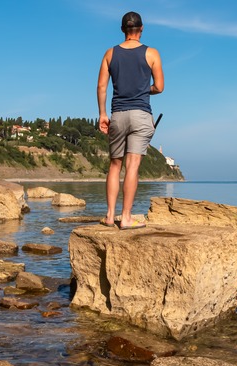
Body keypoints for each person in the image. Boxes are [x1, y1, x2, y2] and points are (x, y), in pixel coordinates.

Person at [97, 11, 164, 230]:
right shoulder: (152, 53)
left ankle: (109, 216)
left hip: (118, 114)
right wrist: (145, 90)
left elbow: (101, 87)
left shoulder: (110, 53)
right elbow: (159, 87)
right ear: (141, 29)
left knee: (115, 165)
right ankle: (126, 218)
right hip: (141, 114)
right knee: (132, 166)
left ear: (122, 30)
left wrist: (102, 114)